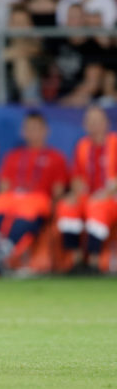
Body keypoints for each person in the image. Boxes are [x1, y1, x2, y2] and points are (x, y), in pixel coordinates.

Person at [0, 111, 68, 276]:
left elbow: (58, 190)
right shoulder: (13, 156)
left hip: (37, 198)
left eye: (36, 128)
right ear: (23, 132)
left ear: (46, 131)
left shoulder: (56, 157)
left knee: (28, 209)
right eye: (29, 129)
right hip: (12, 197)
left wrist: (54, 206)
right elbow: (3, 186)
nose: (32, 132)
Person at [56, 106, 117, 275]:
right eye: (90, 121)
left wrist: (106, 194)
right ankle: (76, 261)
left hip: (111, 198)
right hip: (89, 196)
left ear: (107, 123)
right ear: (85, 125)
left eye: (98, 121)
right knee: (67, 205)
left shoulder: (115, 143)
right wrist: (76, 193)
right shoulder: (82, 145)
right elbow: (76, 175)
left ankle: (94, 262)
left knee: (97, 207)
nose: (94, 125)